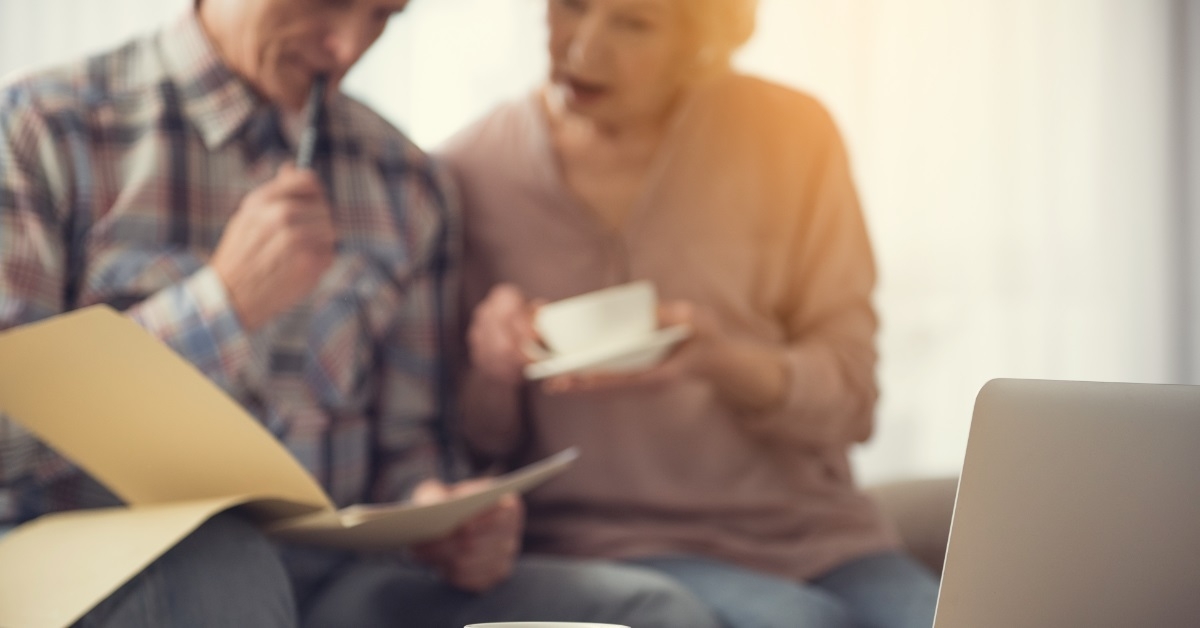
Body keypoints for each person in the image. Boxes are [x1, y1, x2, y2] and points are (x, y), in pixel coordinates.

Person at [0, 1, 723, 627]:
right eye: (327, 3)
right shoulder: (45, 129)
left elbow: (411, 449)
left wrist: (443, 515)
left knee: (652, 613)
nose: (348, 48)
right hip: (109, 572)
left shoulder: (404, 181)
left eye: (382, 15)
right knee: (225, 563)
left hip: (338, 580)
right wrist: (221, 306)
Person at [440, 0, 942, 627]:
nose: (584, 49)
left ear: (698, 44)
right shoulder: (468, 171)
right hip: (604, 546)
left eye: (633, 23)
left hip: (817, 535)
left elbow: (851, 398)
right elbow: (468, 448)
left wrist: (722, 362)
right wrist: (493, 369)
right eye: (571, 6)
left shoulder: (791, 136)